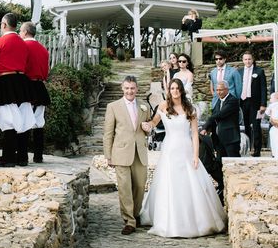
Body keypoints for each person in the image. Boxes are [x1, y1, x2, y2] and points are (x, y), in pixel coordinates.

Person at [140, 79, 226, 237]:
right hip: (169, 150)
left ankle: (196, 221)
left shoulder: (189, 108)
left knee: (191, 183)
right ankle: (168, 221)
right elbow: (154, 121)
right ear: (169, 90)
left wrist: (195, 155)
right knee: (169, 183)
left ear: (181, 91)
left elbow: (194, 133)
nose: (174, 91)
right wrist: (148, 125)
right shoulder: (162, 106)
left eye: (177, 88)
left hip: (186, 149)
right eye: (172, 88)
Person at [103, 75, 148, 235]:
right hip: (121, 152)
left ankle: (135, 215)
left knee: (140, 187)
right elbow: (108, 133)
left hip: (140, 152)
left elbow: (147, 128)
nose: (130, 91)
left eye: (132, 88)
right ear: (122, 88)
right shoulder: (113, 106)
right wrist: (108, 155)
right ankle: (129, 221)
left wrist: (148, 128)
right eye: (127, 88)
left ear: (137, 89)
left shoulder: (144, 105)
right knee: (124, 188)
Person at [0, 13, 30, 167]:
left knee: (7, 119)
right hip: (22, 82)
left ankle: (9, 158)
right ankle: (22, 156)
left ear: (4, 25)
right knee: (22, 118)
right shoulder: (24, 43)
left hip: (5, 81)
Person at [20, 21, 50, 164]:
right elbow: (46, 71)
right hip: (39, 86)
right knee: (39, 122)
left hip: (26, 86)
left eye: (21, 31)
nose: (20, 33)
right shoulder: (43, 49)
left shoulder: (22, 46)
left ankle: (23, 156)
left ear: (25, 32)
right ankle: (38, 156)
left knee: (24, 122)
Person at [238, 51, 267, 157]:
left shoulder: (259, 71)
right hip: (243, 101)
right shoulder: (239, 71)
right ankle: (247, 148)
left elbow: (263, 88)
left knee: (256, 126)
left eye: (249, 59)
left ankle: (257, 150)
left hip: (255, 103)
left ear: (253, 59)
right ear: (243, 60)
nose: (247, 61)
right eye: (245, 59)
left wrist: (263, 104)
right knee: (245, 126)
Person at [201, 81, 241, 158]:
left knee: (233, 163)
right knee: (220, 164)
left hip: (231, 139)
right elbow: (213, 115)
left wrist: (205, 126)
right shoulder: (219, 101)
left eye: (221, 90)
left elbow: (219, 115)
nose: (218, 92)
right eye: (217, 90)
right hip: (219, 140)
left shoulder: (232, 100)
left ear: (227, 89)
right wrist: (205, 128)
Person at [265, 93, 278, 158]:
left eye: (271, 98)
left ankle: (275, 153)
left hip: (275, 123)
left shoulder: (271, 105)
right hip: (275, 122)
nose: (270, 99)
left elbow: (267, 113)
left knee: (274, 139)